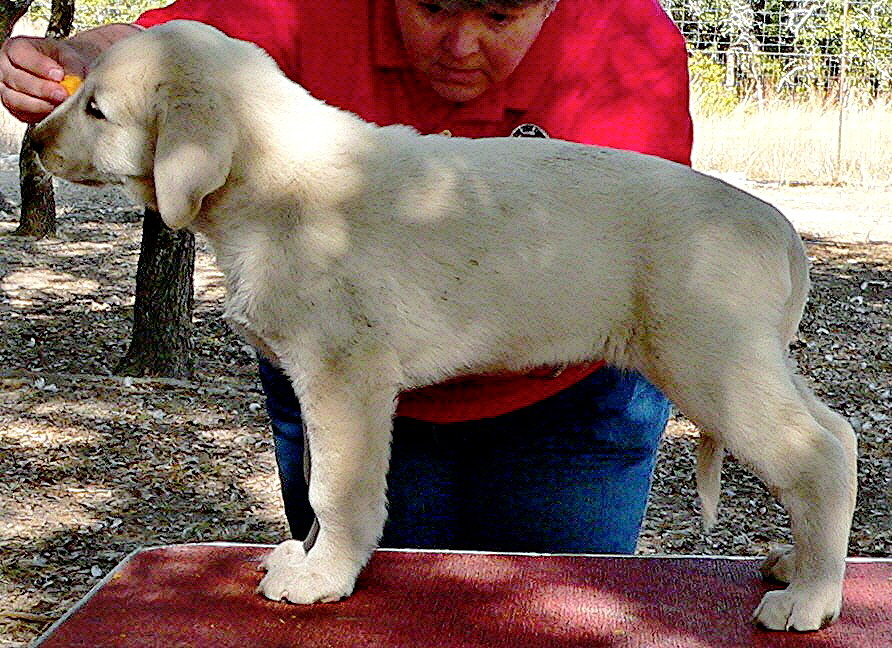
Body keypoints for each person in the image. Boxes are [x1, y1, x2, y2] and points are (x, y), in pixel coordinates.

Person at [1, 0, 693, 554]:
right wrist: (95, 66)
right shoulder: (312, 6)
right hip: (343, 375)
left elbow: (632, 258)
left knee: (557, 619)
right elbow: (182, 50)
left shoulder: (627, 46)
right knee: (364, 614)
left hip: (565, 405)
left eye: (500, 16)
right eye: (433, 8)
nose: (461, 44)